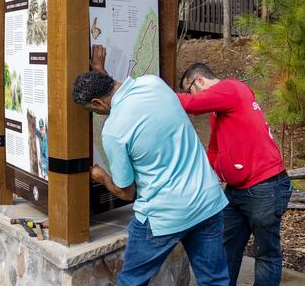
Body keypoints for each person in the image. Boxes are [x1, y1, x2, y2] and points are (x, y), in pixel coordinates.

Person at [72, 59, 229, 286]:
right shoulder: (154, 84)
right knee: (215, 280)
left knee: (132, 281)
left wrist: (100, 176)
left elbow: (126, 193)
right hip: (207, 201)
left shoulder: (114, 130)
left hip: (163, 215)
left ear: (96, 102)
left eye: (92, 110)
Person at [177, 62, 290, 286]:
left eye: (189, 89)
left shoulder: (232, 88)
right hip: (236, 191)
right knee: (226, 248)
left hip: (264, 187)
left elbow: (192, 104)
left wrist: (155, 95)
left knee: (266, 253)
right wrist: (200, 177)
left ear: (199, 80)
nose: (190, 94)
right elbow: (214, 150)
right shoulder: (219, 112)